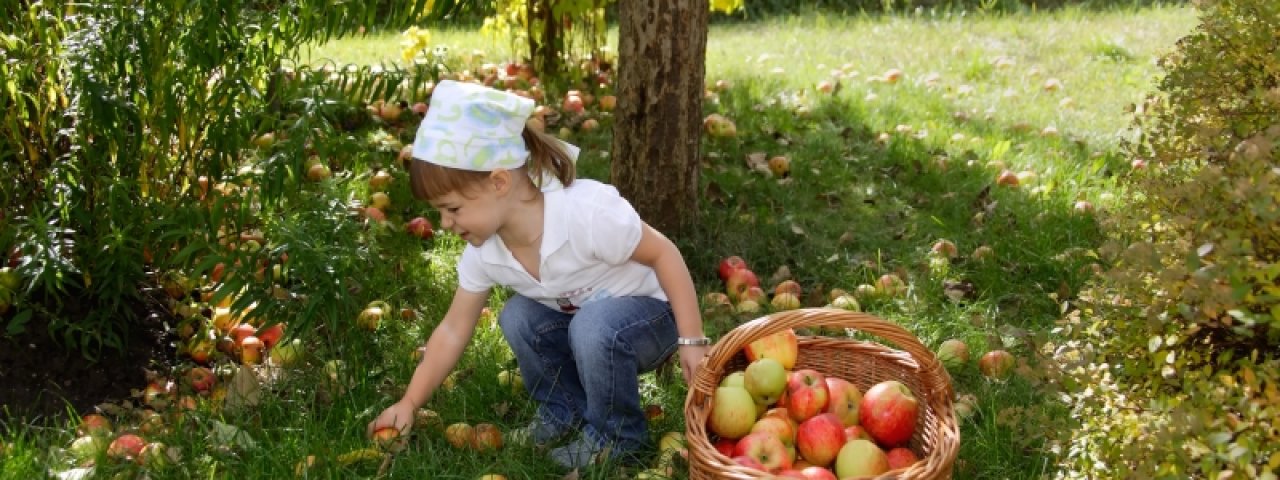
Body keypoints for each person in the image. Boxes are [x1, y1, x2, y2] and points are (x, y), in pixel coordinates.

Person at [367, 80, 710, 469]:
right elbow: (452, 329)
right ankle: (562, 412)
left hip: (653, 318)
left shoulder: (586, 214)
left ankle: (617, 439)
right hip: (585, 326)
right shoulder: (486, 250)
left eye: (453, 209)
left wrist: (692, 339)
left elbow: (665, 253)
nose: (445, 223)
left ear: (498, 182)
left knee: (593, 325)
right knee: (517, 315)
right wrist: (409, 402)